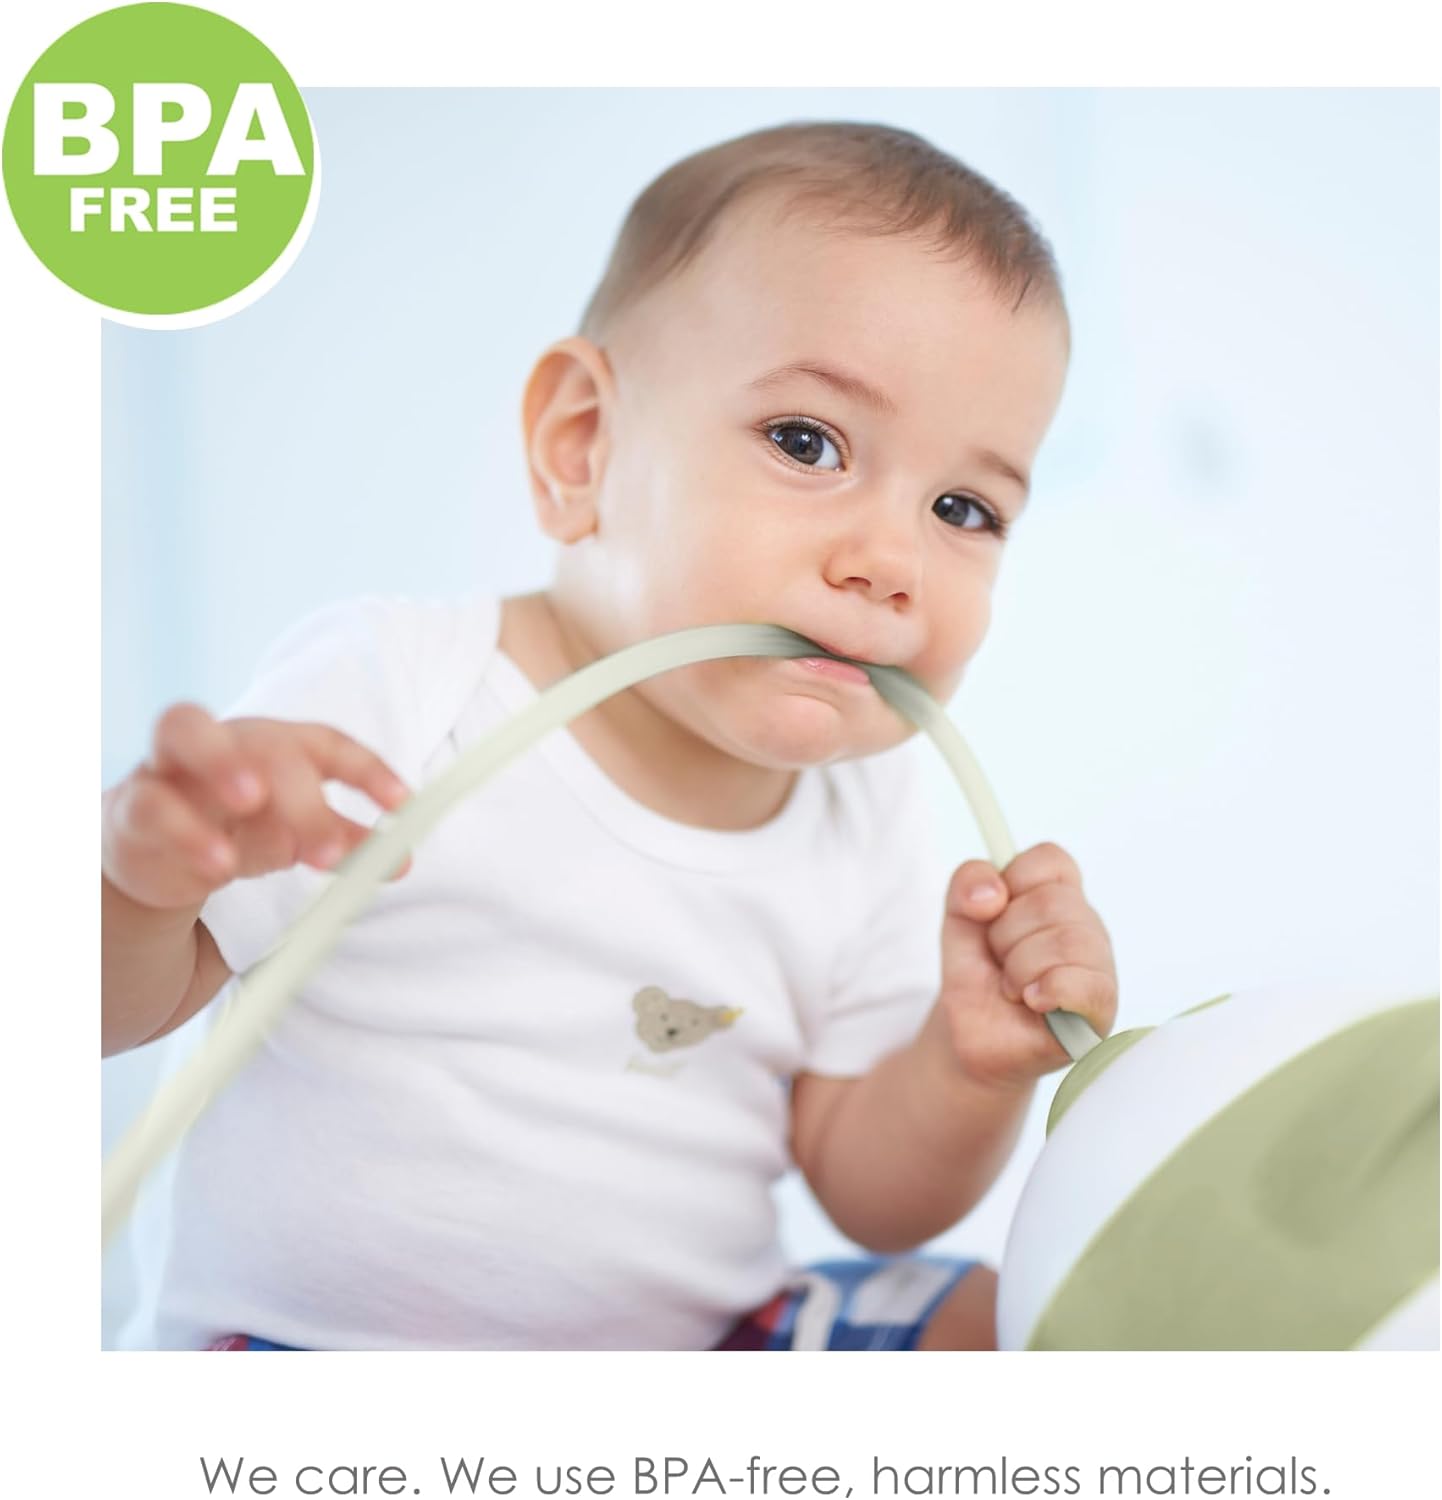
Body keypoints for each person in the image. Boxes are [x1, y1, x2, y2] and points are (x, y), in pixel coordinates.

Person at [102, 119, 1118, 1351]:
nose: (890, 561)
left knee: (1008, 1323)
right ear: (582, 444)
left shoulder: (865, 806)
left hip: (700, 1348)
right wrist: (145, 885)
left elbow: (870, 1195)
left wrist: (968, 1067)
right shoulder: (401, 689)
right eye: (806, 443)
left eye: (963, 508)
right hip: (320, 1356)